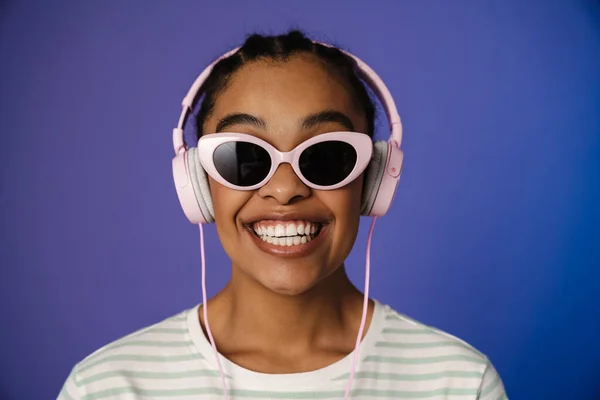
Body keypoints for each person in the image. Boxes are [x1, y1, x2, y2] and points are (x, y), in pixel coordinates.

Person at [58, 30, 508, 400]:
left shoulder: (459, 384)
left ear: (372, 180)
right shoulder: (105, 387)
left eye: (327, 155)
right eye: (245, 156)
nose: (285, 188)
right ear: (199, 182)